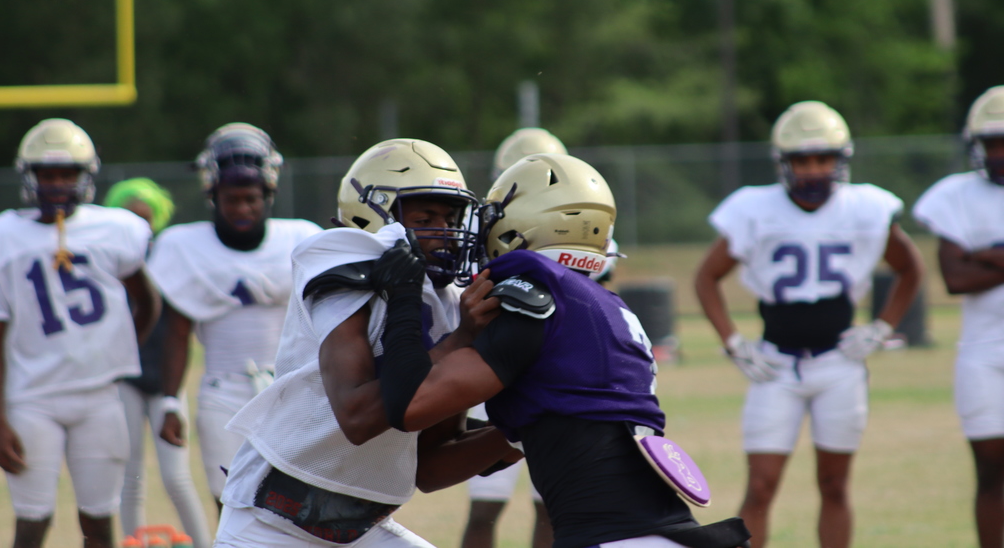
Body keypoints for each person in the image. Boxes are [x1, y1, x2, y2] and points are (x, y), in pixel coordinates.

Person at [375, 152, 751, 548]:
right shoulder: (609, 310)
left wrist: (403, 294)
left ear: (521, 226)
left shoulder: (534, 303)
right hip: (657, 531)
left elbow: (409, 405)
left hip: (612, 538)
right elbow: (434, 471)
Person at [215, 138, 515, 548]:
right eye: (426, 216)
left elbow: (430, 462)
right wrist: (459, 342)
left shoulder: (447, 302)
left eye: (449, 218)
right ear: (370, 213)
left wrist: (525, 430)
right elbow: (356, 416)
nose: (443, 233)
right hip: (269, 523)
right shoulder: (338, 262)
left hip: (358, 528)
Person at [693, 101, 924, 548]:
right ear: (784, 162)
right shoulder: (753, 208)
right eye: (803, 159)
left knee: (835, 485)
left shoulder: (864, 207)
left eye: (824, 158)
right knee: (760, 486)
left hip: (839, 363)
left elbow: (911, 268)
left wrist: (882, 326)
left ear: (842, 160)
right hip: (775, 363)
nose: (814, 169)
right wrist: (734, 343)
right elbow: (706, 277)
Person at [0, 119, 160, 548]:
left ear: (86, 177)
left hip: (98, 398)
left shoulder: (117, 230)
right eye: (47, 174)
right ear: (30, 177)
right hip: (32, 399)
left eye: (67, 174)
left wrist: (114, 348)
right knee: (31, 522)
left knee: (99, 522)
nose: (57, 184)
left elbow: (148, 302)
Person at [149, 123, 322, 511]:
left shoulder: (299, 239)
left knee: (297, 504)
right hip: (222, 390)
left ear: (269, 194)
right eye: (232, 199)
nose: (243, 208)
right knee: (230, 502)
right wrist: (170, 402)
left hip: (290, 388)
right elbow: (177, 334)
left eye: (251, 198)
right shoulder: (184, 247)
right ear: (213, 196)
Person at [461, 129, 571, 548]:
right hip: (495, 364)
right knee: (486, 505)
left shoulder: (577, 224)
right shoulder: (478, 225)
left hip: (553, 370)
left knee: (549, 506)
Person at [913, 85, 1004, 548]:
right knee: (990, 470)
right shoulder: (956, 195)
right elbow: (955, 277)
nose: (1001, 153)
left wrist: (987, 254)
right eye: (994, 143)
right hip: (984, 350)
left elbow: (970, 266)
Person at [104, 178, 213, 548]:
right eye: (130, 217)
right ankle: (133, 542)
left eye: (146, 219)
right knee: (130, 477)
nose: (139, 226)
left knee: (177, 477)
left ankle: (203, 543)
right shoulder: (110, 262)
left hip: (167, 377)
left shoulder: (170, 261)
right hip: (127, 376)